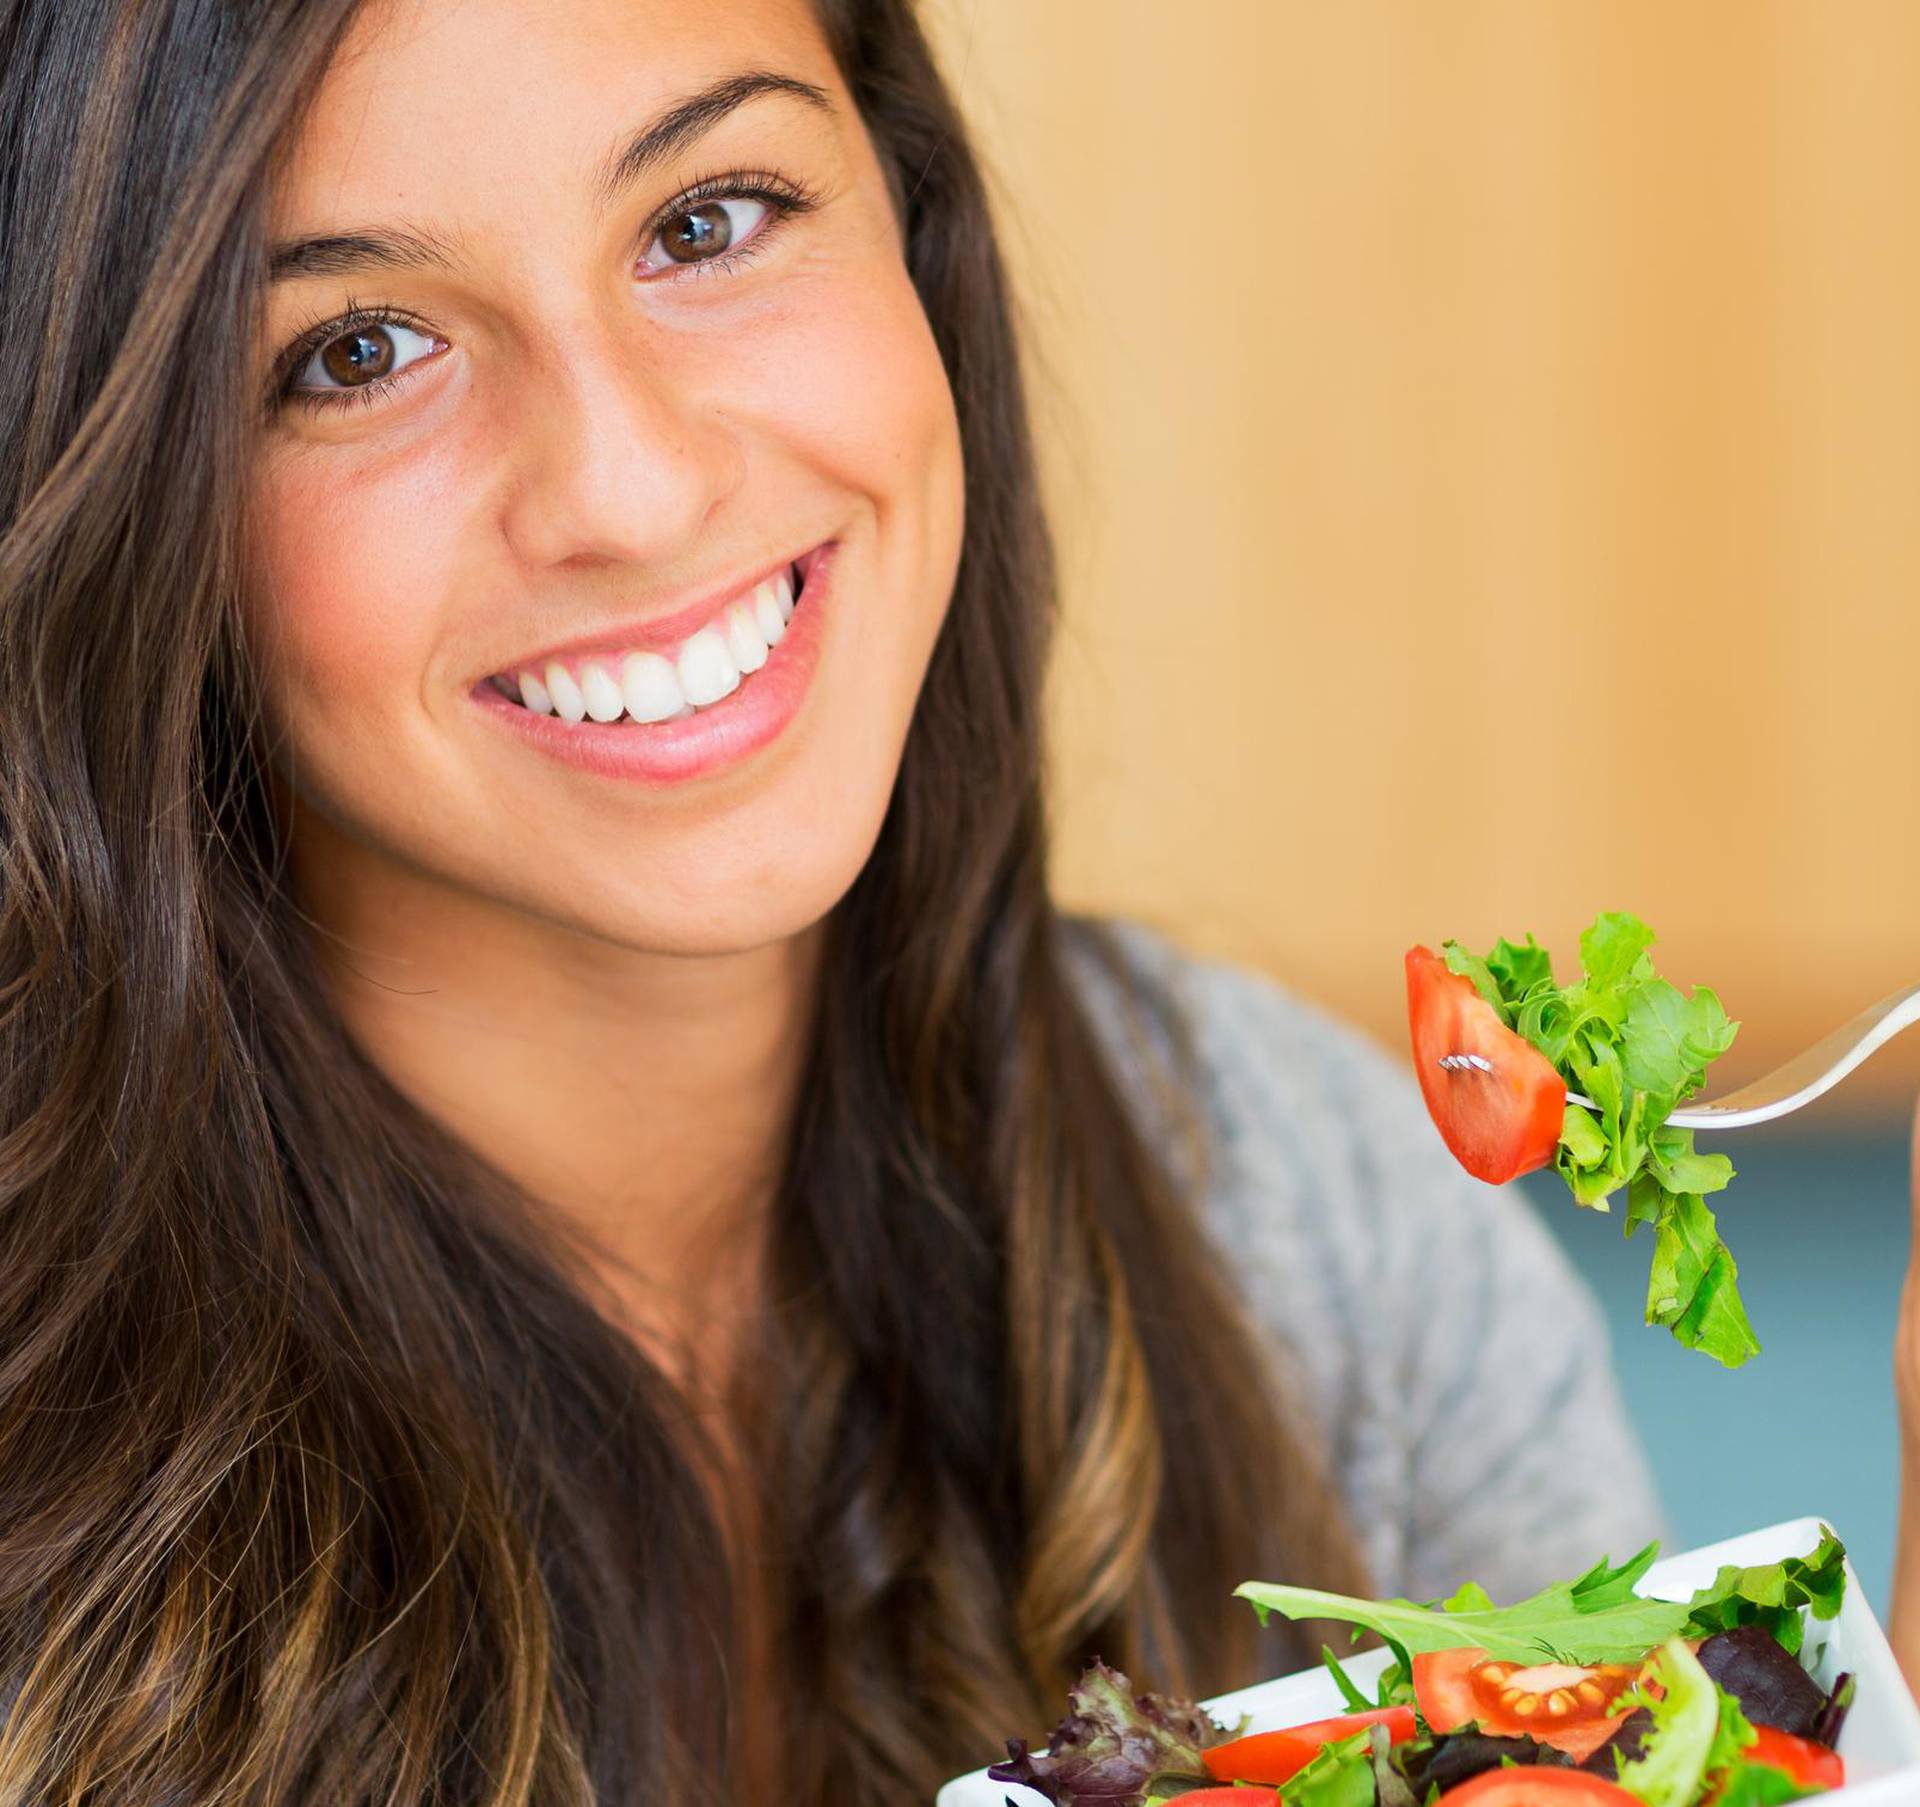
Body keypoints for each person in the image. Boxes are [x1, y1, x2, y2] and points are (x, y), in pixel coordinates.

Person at [6, 1, 1903, 1803]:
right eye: (357, 352)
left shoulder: (1304, 1216)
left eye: (709, 219)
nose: (636, 488)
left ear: (913, 224)